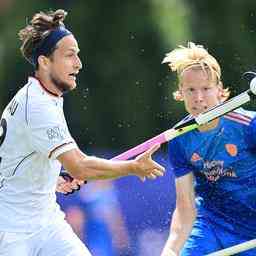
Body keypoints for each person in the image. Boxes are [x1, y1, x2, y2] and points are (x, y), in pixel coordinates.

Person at [0, 9, 165, 256]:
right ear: (44, 61)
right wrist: (132, 167)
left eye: (77, 55)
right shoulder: (37, 105)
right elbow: (80, 167)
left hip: (46, 221)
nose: (78, 63)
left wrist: (50, 180)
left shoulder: (47, 95)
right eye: (69, 56)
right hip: (11, 228)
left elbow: (19, 156)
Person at [160, 42, 256, 256]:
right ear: (180, 94)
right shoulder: (179, 139)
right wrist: (170, 250)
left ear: (220, 91)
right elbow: (185, 208)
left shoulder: (248, 126)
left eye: (206, 89)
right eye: (191, 90)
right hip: (210, 227)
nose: (199, 98)